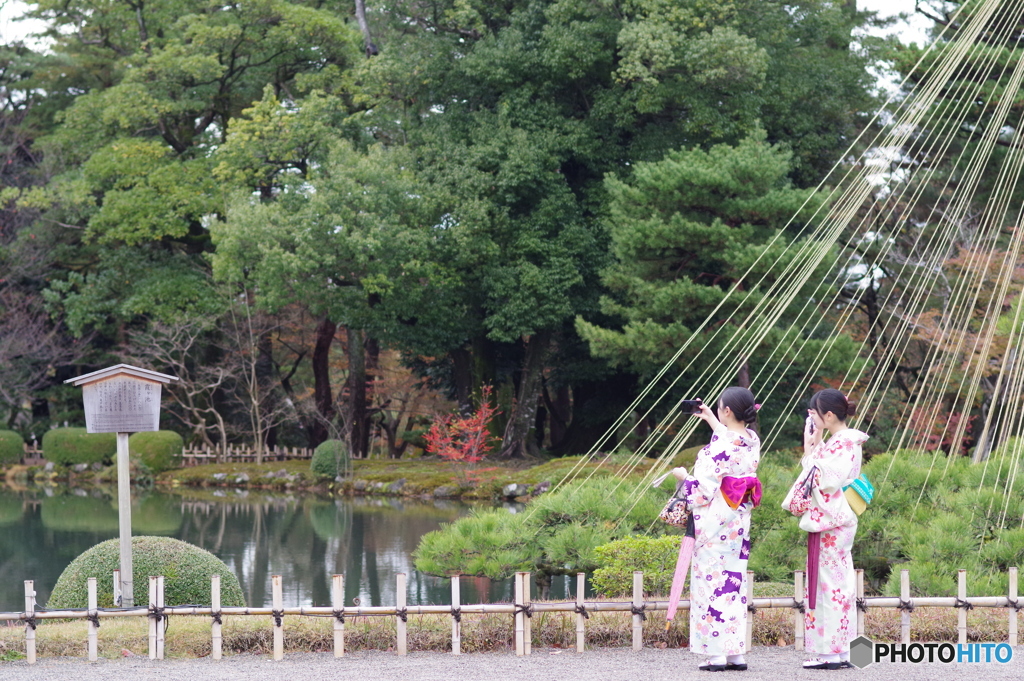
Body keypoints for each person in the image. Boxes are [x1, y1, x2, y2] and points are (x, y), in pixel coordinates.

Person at [671, 387, 762, 672]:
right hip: (738, 524)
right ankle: (735, 653)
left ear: (728, 412)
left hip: (713, 524)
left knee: (710, 584)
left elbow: (701, 491)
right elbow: (730, 438)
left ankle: (716, 654)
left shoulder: (715, 450)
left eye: (719, 408)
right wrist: (710, 418)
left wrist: (683, 477)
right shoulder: (751, 440)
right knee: (733, 585)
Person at [782, 388, 869, 670]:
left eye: (816, 415)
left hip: (832, 521)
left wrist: (811, 451)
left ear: (829, 415)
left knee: (829, 585)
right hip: (840, 519)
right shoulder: (843, 441)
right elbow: (820, 471)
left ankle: (830, 653)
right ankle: (842, 651)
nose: (814, 419)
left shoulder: (842, 443)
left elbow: (822, 480)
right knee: (839, 585)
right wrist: (816, 442)